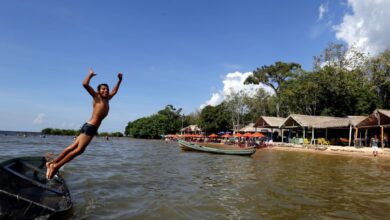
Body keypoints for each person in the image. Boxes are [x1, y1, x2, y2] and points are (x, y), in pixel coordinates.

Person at [46, 68, 123, 179]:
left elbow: (114, 91)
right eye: (103, 89)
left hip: (88, 126)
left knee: (72, 147)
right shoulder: (97, 97)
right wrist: (90, 75)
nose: (105, 91)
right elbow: (84, 84)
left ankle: (52, 163)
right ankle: (56, 166)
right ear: (98, 91)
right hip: (90, 127)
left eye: (106, 89)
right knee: (79, 150)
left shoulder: (107, 99)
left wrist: (119, 80)